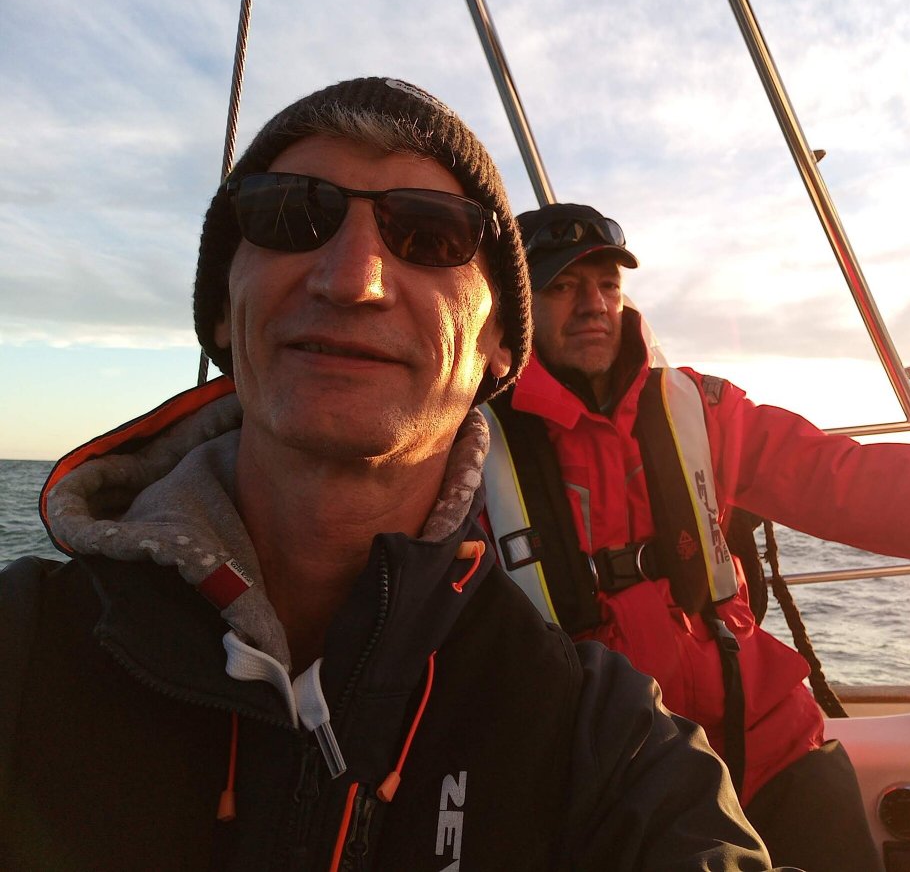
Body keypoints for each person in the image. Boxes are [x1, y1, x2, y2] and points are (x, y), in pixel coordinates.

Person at [0, 80, 781, 871]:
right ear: (218, 310)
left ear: (500, 345)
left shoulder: (599, 733)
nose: (352, 280)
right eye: (289, 217)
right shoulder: (22, 646)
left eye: (432, 235)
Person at [481, 202, 910, 872]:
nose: (594, 303)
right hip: (606, 776)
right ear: (517, 304)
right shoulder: (470, 449)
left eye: (606, 284)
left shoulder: (699, 409)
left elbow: (855, 481)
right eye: (563, 286)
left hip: (770, 751)